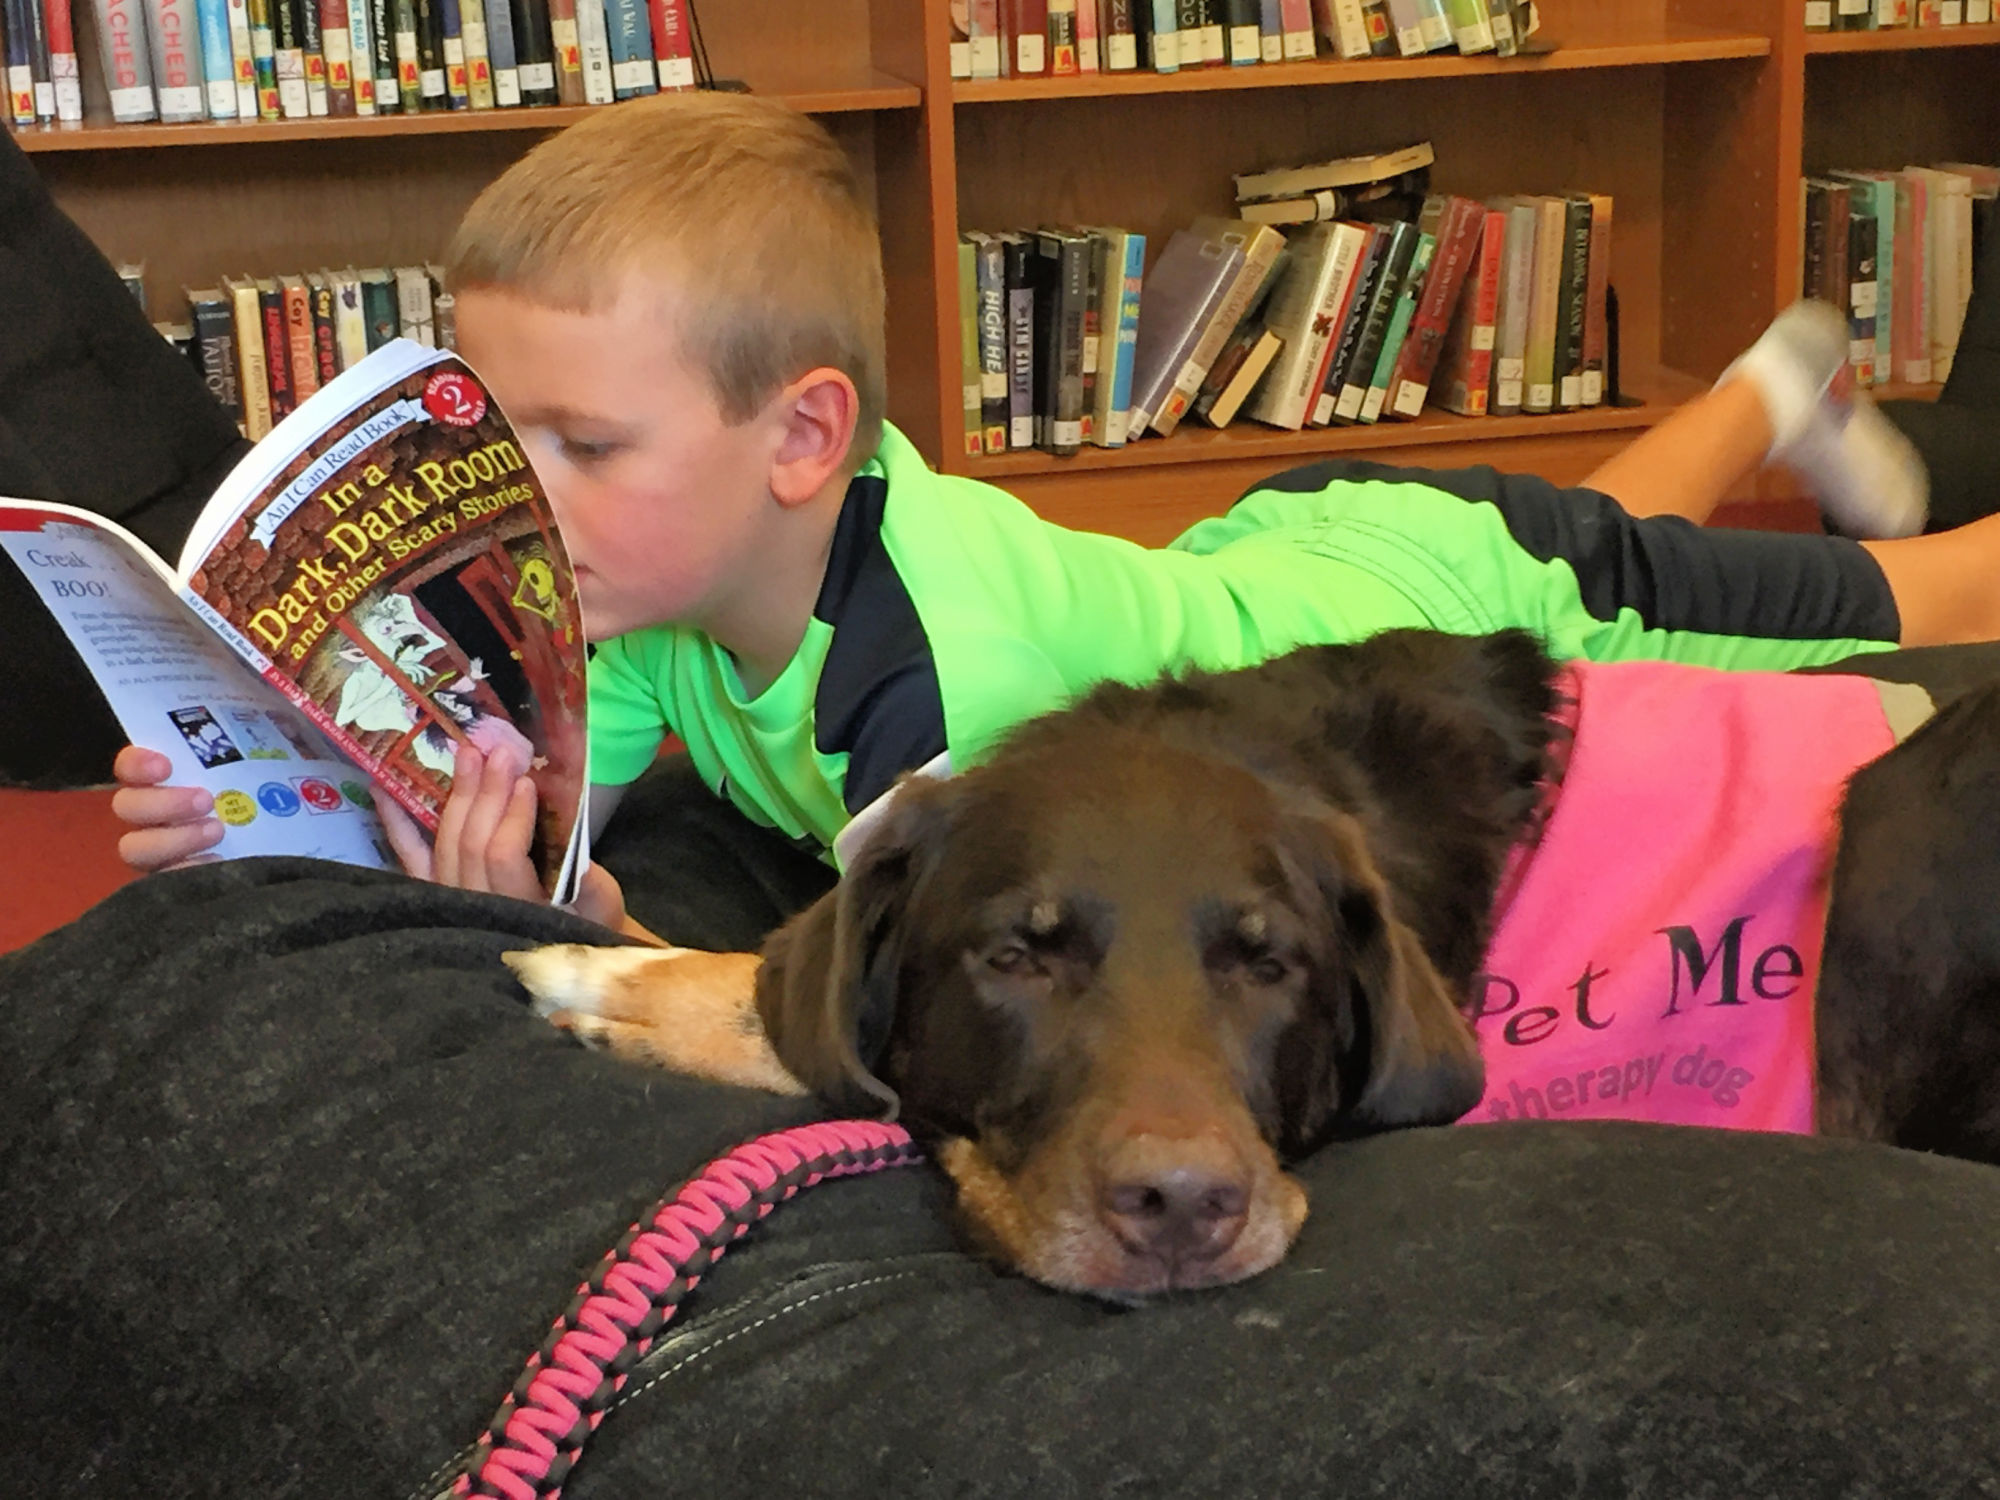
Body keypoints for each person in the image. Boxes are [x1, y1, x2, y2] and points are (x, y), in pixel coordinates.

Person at [106, 93, 1998, 940]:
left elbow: (865, 1004)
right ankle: (1775, 385)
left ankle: (1775, 403)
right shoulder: (663, 601)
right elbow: (536, 787)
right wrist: (265, 788)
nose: (524, 497)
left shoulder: (947, 690)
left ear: (801, 437)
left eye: (581, 442)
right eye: (493, 433)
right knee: (1604, 539)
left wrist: (600, 942)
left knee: (1920, 605)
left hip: (1432, 599)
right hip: (1295, 552)